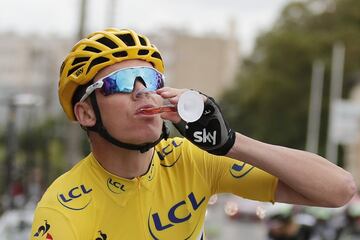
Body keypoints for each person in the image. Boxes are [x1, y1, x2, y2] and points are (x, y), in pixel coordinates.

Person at [30, 28, 356, 240]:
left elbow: (338, 190)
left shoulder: (191, 161)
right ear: (86, 113)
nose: (143, 92)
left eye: (151, 79)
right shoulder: (63, 209)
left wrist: (229, 142)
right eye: (124, 82)